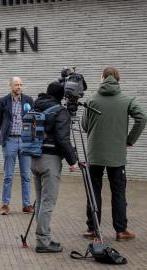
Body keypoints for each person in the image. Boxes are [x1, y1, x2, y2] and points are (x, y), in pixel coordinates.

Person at [81, 67, 147, 241]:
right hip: (117, 155)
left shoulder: (91, 99)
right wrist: (130, 139)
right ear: (118, 79)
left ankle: (92, 229)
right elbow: (142, 117)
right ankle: (121, 230)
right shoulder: (127, 100)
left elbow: (85, 126)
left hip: (95, 153)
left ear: (102, 78)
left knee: (93, 190)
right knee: (118, 191)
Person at [30, 82, 78, 253]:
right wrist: (73, 162)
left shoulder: (36, 106)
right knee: (48, 202)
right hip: (50, 161)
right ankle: (43, 242)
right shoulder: (60, 111)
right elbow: (63, 139)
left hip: (34, 159)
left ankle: (44, 237)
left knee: (42, 201)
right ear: (61, 96)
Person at [0, 77, 34, 215]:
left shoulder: (29, 100)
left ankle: (26, 205)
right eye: (16, 84)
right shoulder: (3, 101)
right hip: (10, 141)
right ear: (10, 86)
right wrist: (7, 133)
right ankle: (5, 204)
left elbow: (33, 119)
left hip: (24, 141)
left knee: (26, 175)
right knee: (8, 175)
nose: (19, 86)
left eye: (20, 84)